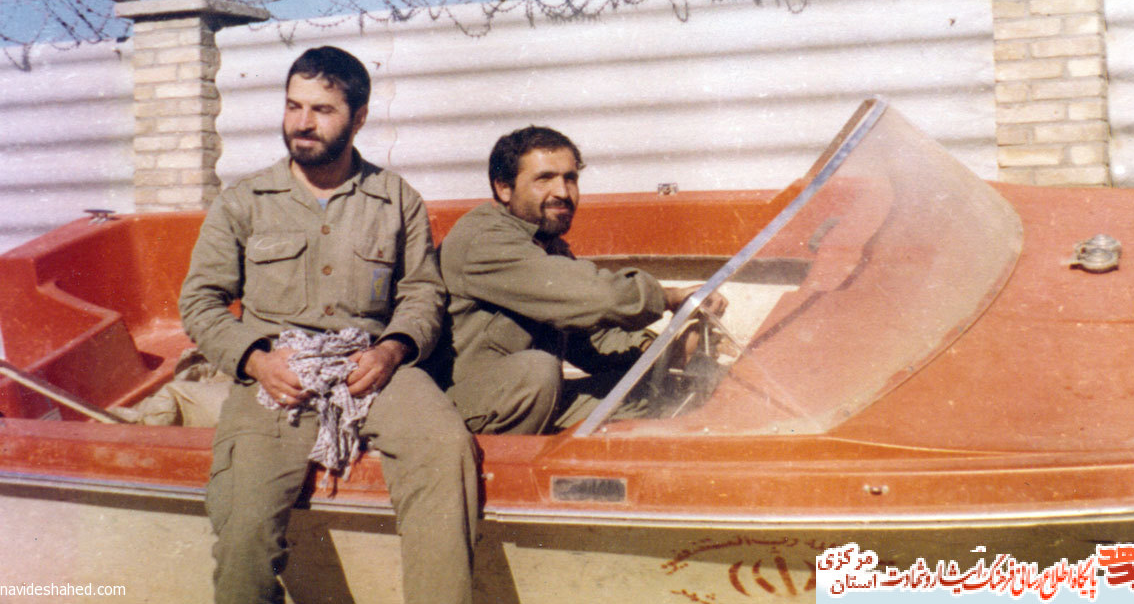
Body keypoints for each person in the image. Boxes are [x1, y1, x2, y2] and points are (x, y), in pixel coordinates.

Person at [178, 46, 478, 604]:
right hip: (277, 380)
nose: (302, 123)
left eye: (322, 110)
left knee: (445, 447)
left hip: (373, 370)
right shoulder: (244, 201)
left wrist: (391, 351)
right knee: (243, 533)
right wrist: (257, 361)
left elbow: (422, 294)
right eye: (293, 106)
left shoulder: (396, 200)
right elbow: (200, 302)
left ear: (358, 118)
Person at [439, 125, 724, 434]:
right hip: (459, 411)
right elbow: (600, 298)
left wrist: (668, 351)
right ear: (504, 188)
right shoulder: (485, 240)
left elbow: (589, 339)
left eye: (570, 178)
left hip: (526, 398)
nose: (563, 192)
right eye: (544, 179)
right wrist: (668, 297)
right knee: (537, 370)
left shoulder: (545, 244)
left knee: (662, 392)